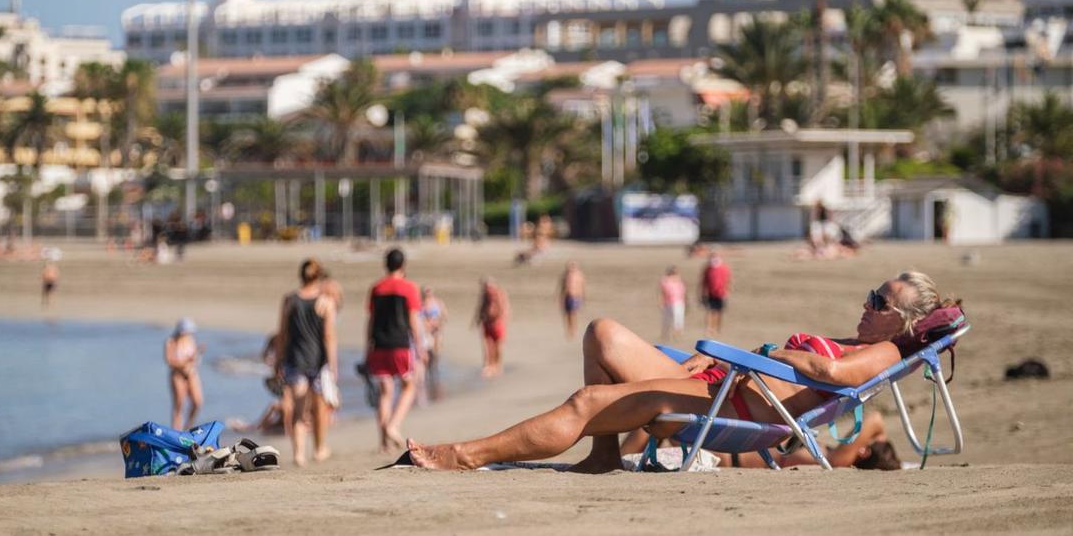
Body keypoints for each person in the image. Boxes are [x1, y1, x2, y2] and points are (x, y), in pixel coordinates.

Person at [404, 271, 956, 471]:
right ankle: (602, 455)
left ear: (904, 323)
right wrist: (730, 357)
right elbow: (814, 366)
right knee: (602, 333)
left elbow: (824, 373)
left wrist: (754, 356)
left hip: (727, 408)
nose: (867, 304)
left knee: (584, 403)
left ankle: (463, 455)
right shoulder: (860, 341)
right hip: (722, 385)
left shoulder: (884, 354)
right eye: (871, 294)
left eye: (879, 302)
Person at [276, 258, 338, 466]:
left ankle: (299, 454)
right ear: (318, 277)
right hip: (317, 362)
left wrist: (278, 360)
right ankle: (320, 449)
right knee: (319, 409)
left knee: (298, 410)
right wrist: (332, 365)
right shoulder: (325, 302)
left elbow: (282, 334)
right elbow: (329, 336)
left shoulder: (290, 300)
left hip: (295, 360)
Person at [366, 248, 427, 451]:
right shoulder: (409, 287)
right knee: (409, 386)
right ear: (403, 265)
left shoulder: (376, 288)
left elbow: (371, 320)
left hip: (379, 344)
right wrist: (419, 347)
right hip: (400, 344)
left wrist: (368, 347)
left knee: (385, 392)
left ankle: (383, 441)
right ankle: (393, 425)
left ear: (386, 264)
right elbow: (413, 320)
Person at [164, 318, 204, 431]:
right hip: (177, 375)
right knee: (179, 405)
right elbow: (170, 361)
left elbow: (194, 359)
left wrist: (196, 355)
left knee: (197, 402)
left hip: (191, 373)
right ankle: (176, 431)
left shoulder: (190, 340)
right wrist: (186, 362)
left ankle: (188, 427)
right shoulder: (171, 341)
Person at [474, 278, 510, 378]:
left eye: (488, 286)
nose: (486, 289)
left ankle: (498, 366)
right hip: (487, 323)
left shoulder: (499, 294)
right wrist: (477, 320)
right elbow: (480, 308)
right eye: (485, 287)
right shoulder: (485, 296)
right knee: (487, 346)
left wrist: (502, 321)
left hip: (497, 323)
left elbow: (505, 308)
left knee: (497, 346)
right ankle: (489, 365)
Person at [419, 286, 448, 402]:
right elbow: (419, 318)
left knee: (435, 353)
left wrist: (438, 323)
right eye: (426, 292)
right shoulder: (420, 304)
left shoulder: (438, 303)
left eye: (429, 292)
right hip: (426, 332)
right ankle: (426, 373)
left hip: (436, 331)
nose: (428, 294)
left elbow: (445, 315)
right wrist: (426, 324)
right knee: (427, 352)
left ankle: (433, 370)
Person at [700, 250, 731, 336]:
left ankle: (716, 328)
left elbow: (727, 280)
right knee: (710, 311)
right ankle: (709, 328)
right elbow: (704, 282)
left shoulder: (724, 268)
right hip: (710, 293)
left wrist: (727, 291)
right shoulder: (708, 269)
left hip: (721, 293)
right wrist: (703, 292)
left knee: (718, 312)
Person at [558, 261, 585, 340]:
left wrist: (582, 298)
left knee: (572, 314)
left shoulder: (579, 275)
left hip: (575, 297)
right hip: (568, 297)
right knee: (567, 315)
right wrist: (561, 298)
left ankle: (573, 330)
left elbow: (582, 287)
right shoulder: (565, 276)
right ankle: (569, 330)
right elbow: (562, 288)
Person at [658, 266, 686, 342]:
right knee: (668, 319)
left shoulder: (679, 280)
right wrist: (661, 302)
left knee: (679, 318)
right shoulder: (665, 280)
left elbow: (683, 292)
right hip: (669, 302)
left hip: (679, 301)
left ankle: (677, 333)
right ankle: (667, 334)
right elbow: (662, 292)